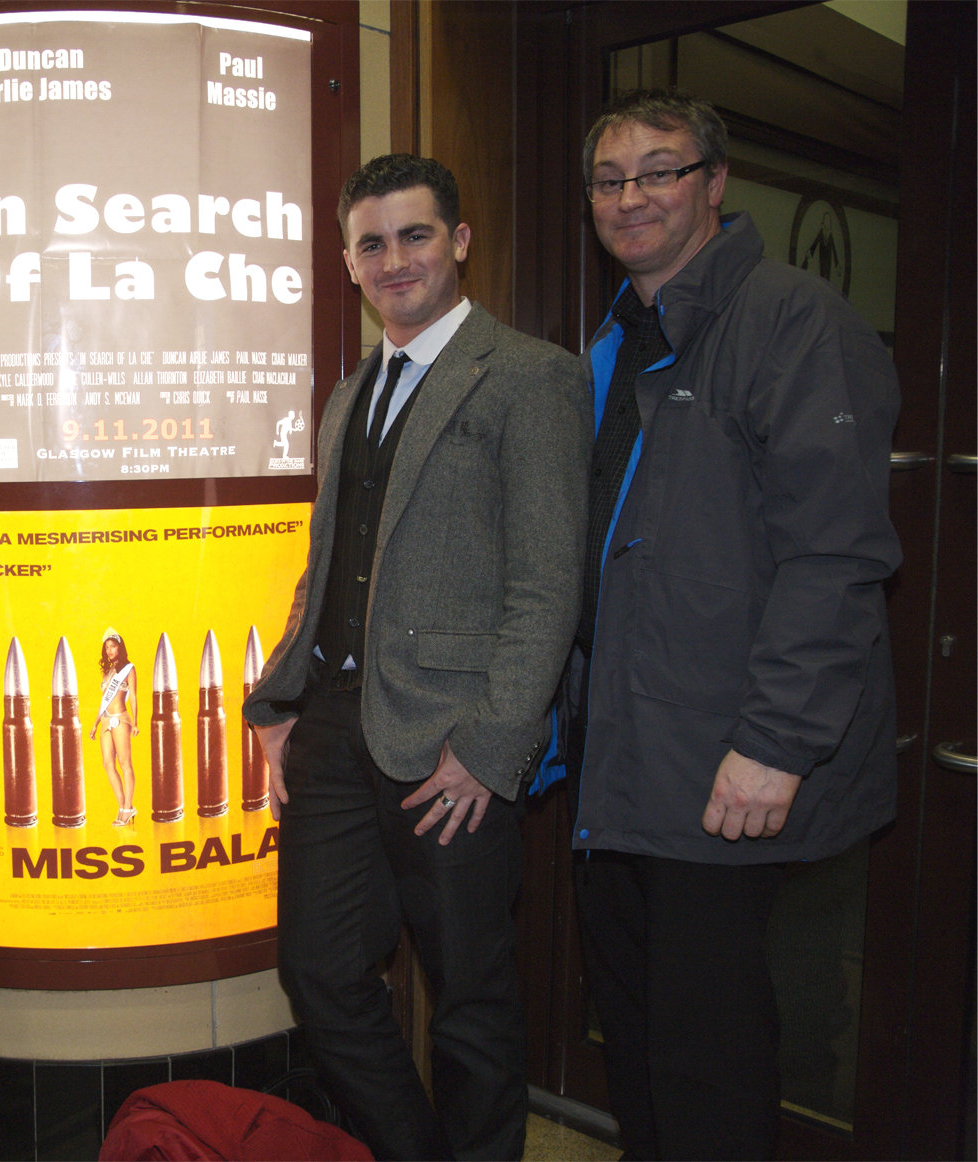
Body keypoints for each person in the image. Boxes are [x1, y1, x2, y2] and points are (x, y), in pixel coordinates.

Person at [568, 90, 899, 1160]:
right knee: (638, 1038)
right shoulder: (616, 341)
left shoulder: (790, 319)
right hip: (621, 756)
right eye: (610, 179)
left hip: (723, 759)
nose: (632, 197)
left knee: (707, 1053)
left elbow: (836, 553)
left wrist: (772, 740)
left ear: (714, 182)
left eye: (658, 170)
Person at [244, 154, 591, 1160]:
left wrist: (491, 745)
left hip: (451, 743)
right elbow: (330, 564)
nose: (392, 259)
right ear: (347, 262)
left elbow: (545, 580)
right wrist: (278, 693)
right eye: (370, 243)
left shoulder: (529, 375)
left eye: (413, 235)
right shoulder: (353, 392)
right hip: (333, 726)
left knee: (468, 995)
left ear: (457, 241)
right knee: (316, 971)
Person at [89, 628, 139, 825]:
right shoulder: (107, 671)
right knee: (108, 764)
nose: (109, 650)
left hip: (120, 718)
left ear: (120, 647)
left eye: (113, 646)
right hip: (105, 721)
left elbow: (133, 696)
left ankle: (128, 807)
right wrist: (94, 724)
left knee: (125, 763)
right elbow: (103, 700)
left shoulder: (129, 669)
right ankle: (123, 807)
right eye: (107, 647)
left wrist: (135, 722)